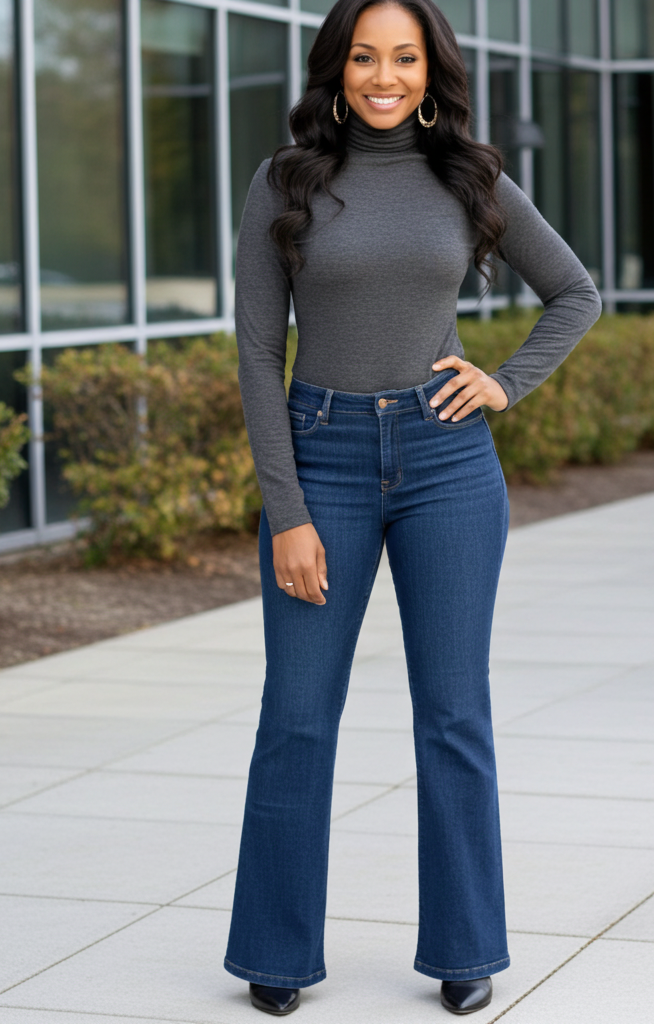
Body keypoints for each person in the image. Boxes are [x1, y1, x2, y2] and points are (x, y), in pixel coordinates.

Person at [224, 0, 601, 1014]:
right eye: (363, 56)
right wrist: (287, 508)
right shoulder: (284, 182)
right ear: (335, 67)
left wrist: (504, 384)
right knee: (297, 717)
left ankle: (466, 948)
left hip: (446, 465)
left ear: (430, 72)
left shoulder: (466, 178)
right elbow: (260, 355)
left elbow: (573, 290)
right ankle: (276, 949)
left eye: (403, 57)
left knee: (453, 715)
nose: (382, 76)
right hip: (324, 458)